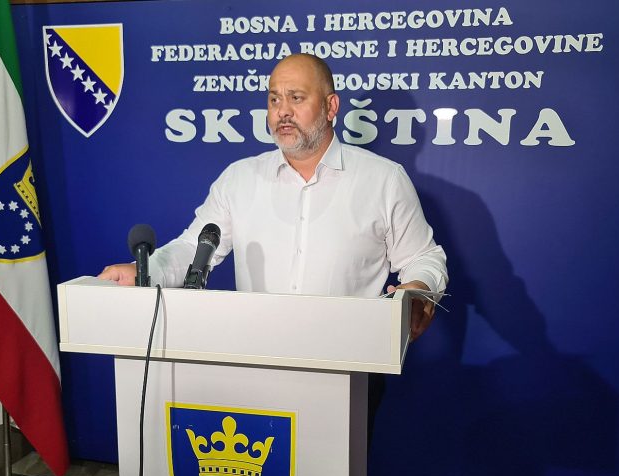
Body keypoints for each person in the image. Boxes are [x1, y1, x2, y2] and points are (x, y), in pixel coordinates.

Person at [99, 54, 447, 430]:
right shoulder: (240, 179)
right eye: (274, 99)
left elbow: (424, 256)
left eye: (296, 98)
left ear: (331, 106)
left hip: (349, 369)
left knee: (332, 467)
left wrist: (418, 289)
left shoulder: (383, 180)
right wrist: (144, 270)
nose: (282, 111)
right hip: (255, 365)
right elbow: (194, 249)